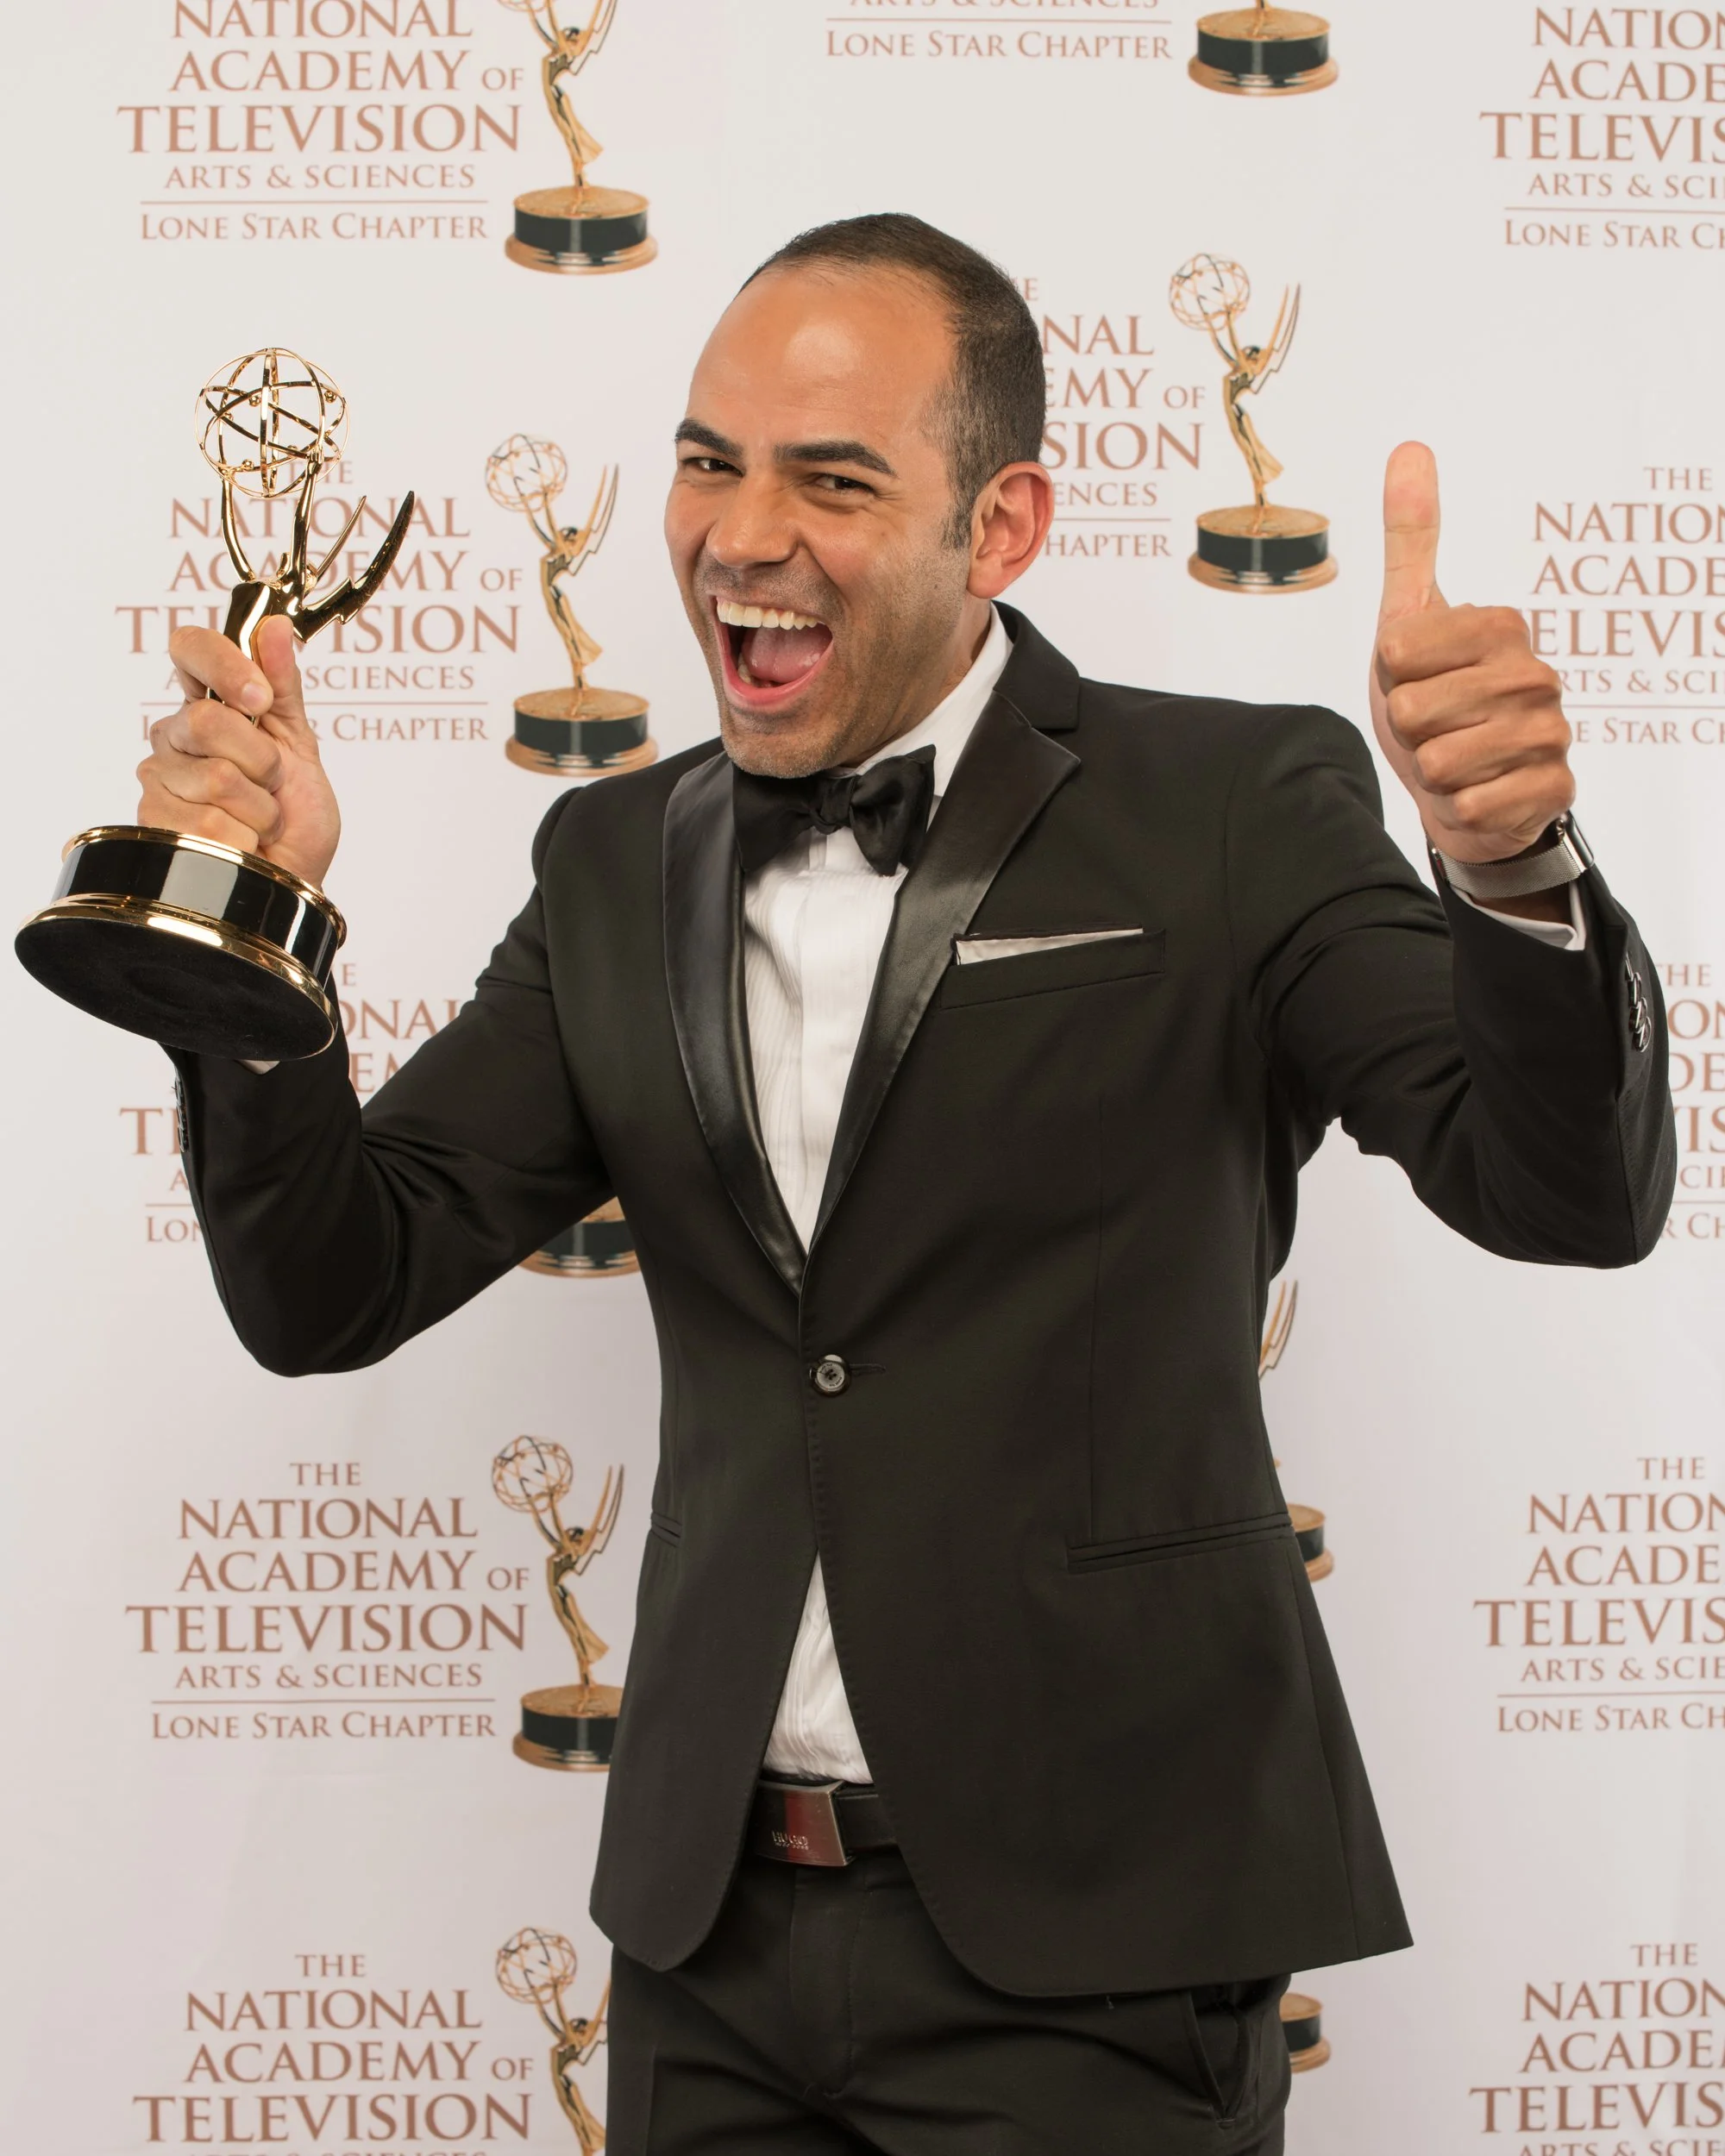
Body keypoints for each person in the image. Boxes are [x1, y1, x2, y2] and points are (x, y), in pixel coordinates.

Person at [138, 214, 1673, 2154]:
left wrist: (1515, 872)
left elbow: (1561, 1187)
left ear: (1004, 525)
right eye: (708, 460)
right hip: (706, 1954)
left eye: (831, 478)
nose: (739, 532)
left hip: (1103, 1950)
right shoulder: (611, 862)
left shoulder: (1230, 806)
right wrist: (253, 951)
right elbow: (328, 1285)